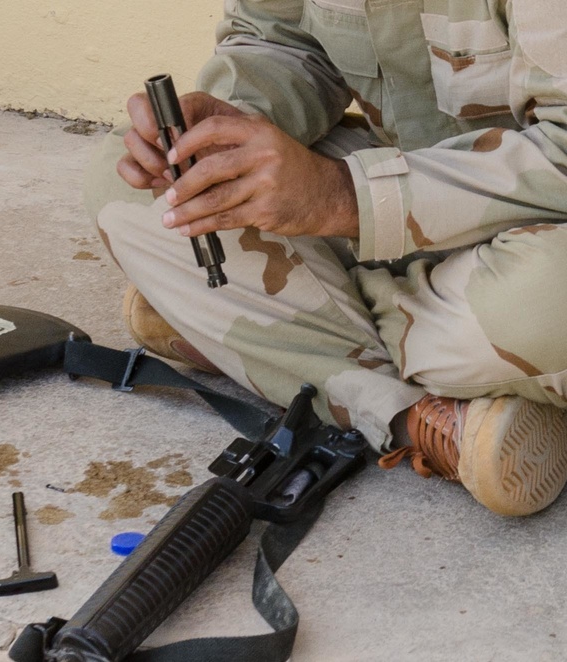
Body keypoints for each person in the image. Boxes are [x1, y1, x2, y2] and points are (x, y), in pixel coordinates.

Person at [83, 1, 567, 516]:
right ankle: (417, 415)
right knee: (132, 191)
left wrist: (340, 197)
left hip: (541, 224)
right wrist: (229, 126)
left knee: (545, 305)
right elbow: (283, 40)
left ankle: (260, 329)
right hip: (401, 201)